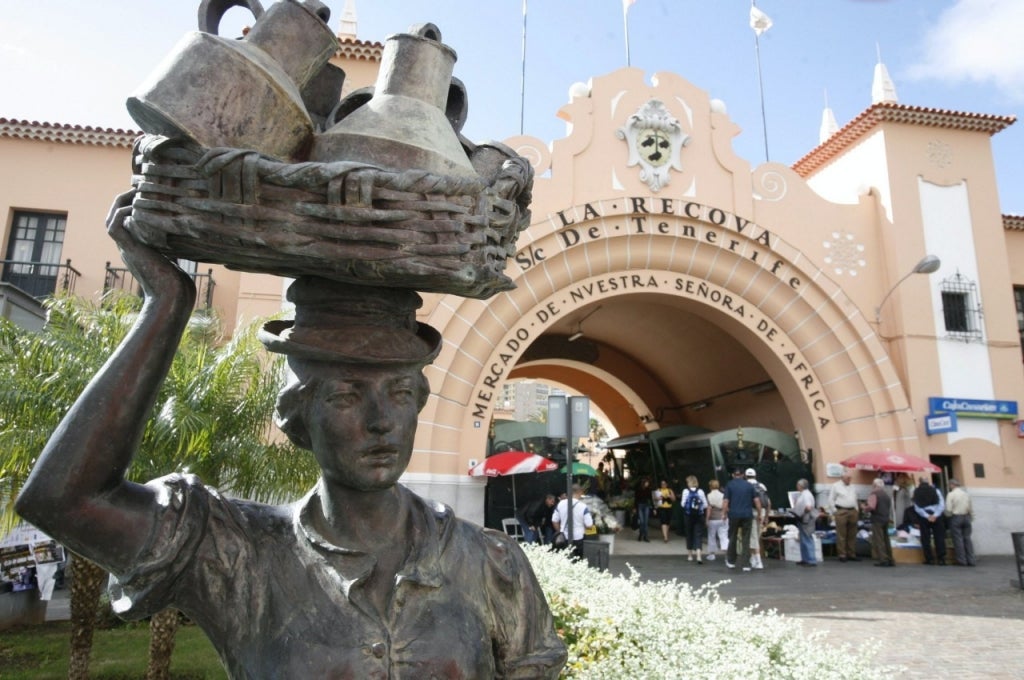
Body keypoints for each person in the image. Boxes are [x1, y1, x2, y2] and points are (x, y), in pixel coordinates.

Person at [14, 193, 567, 679]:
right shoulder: (238, 555)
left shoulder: (492, 566)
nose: (381, 420)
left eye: (400, 393)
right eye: (347, 395)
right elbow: (66, 500)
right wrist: (166, 306)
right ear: (299, 418)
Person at [722, 468, 761, 572]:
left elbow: (726, 501)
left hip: (734, 514)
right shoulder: (749, 485)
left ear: (733, 475)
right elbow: (757, 501)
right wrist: (760, 514)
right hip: (747, 514)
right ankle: (746, 564)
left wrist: (724, 513)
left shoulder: (729, 485)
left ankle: (731, 561)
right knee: (746, 539)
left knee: (732, 537)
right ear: (743, 475)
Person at [552, 484, 594, 559]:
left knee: (564, 559)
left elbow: (554, 520)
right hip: (579, 539)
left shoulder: (560, 504)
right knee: (578, 561)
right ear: (579, 492)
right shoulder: (583, 506)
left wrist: (560, 530)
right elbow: (589, 525)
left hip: (564, 538)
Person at [828, 469, 861, 562]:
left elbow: (855, 498)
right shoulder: (835, 486)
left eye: (850, 478)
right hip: (841, 510)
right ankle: (842, 554)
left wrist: (856, 510)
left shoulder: (853, 486)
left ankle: (851, 553)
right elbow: (831, 499)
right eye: (847, 478)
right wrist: (835, 511)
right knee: (841, 534)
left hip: (852, 510)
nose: (849, 480)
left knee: (852, 534)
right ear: (842, 478)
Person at [913, 476, 947, 565]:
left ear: (919, 482)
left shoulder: (916, 491)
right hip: (936, 515)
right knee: (939, 536)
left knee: (925, 538)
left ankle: (929, 558)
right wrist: (935, 515)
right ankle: (941, 558)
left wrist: (927, 516)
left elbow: (917, 507)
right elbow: (942, 504)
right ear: (928, 482)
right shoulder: (936, 490)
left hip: (924, 516)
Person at [945, 478, 976, 566]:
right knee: (967, 538)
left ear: (952, 485)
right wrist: (972, 518)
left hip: (956, 517)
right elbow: (971, 508)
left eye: (949, 485)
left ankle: (962, 560)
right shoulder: (966, 494)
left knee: (958, 539)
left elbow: (948, 509)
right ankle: (971, 560)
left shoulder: (951, 494)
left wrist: (948, 516)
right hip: (966, 517)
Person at [864, 478, 894, 567]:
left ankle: (883, 559)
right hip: (885, 518)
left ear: (875, 485)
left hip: (877, 519)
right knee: (886, 539)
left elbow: (872, 506)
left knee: (879, 540)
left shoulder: (874, 494)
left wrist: (864, 508)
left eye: (872, 484)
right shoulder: (886, 495)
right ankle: (890, 558)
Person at [746, 468, 770, 569]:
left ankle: (757, 560)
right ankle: (753, 558)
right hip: (762, 512)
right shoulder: (762, 486)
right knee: (756, 536)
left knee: (753, 537)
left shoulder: (745, 486)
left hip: (750, 512)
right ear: (755, 476)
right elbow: (768, 502)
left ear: (746, 476)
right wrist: (766, 516)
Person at [680, 475, 708, 563]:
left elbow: (683, 504)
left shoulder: (685, 491)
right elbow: (705, 505)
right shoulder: (700, 491)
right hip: (699, 516)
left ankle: (690, 555)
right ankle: (699, 556)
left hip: (688, 516)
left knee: (689, 534)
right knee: (698, 535)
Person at [791, 478, 817, 566]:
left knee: (807, 538)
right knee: (803, 539)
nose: (797, 486)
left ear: (801, 486)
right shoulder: (804, 494)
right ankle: (805, 558)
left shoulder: (806, 495)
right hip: (803, 519)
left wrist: (802, 512)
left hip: (806, 519)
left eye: (798, 485)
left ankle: (811, 559)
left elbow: (808, 507)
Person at [705, 478, 728, 560]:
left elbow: (709, 509)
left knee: (711, 536)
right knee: (723, 536)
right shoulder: (723, 495)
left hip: (713, 518)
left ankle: (712, 554)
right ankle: (727, 554)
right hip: (723, 517)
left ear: (710, 486)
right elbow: (726, 507)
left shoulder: (708, 495)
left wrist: (707, 519)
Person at [635, 477, 654, 542]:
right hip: (640, 505)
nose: (648, 484)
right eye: (647, 482)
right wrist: (635, 508)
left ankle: (645, 536)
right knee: (642, 521)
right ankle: (641, 534)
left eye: (648, 483)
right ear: (643, 483)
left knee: (645, 522)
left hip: (646, 506)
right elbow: (636, 499)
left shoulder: (649, 489)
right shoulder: (638, 489)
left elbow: (651, 499)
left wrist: (653, 508)